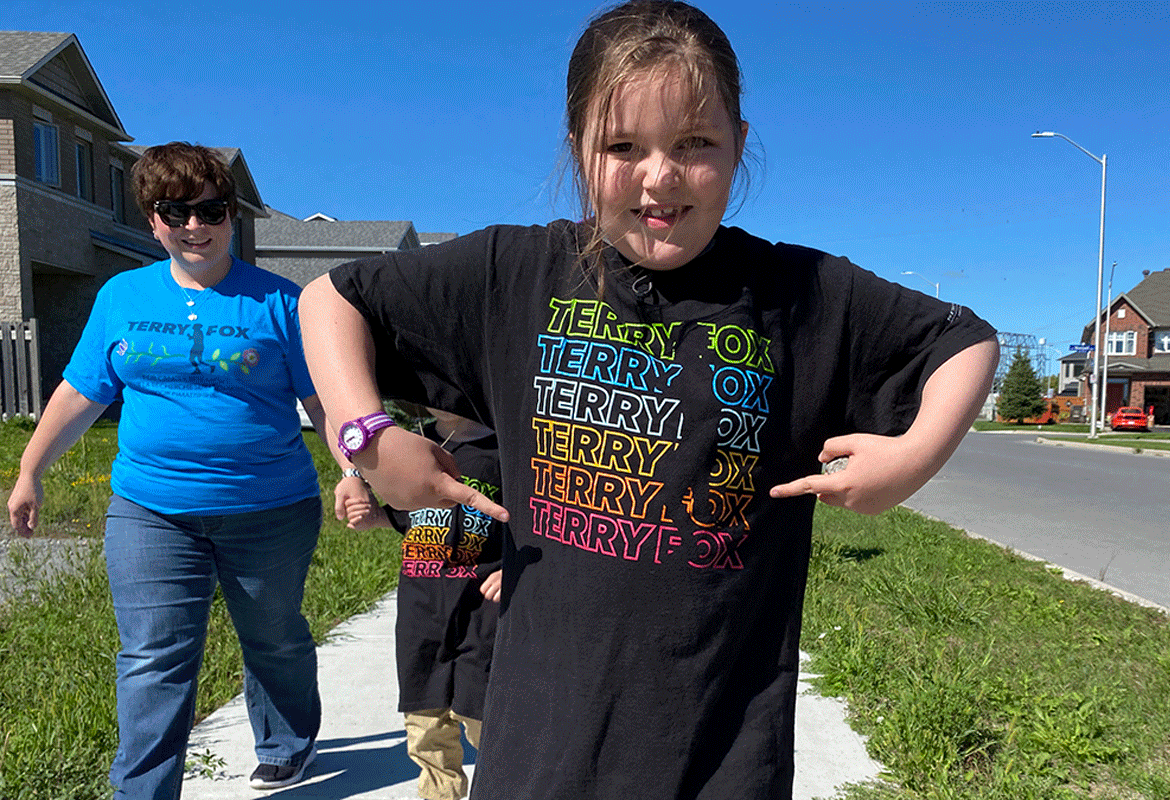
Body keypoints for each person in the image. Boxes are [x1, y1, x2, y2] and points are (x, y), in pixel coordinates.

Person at [298, 2, 1000, 797]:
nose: (659, 177)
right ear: (578, 150)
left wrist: (911, 460)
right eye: (622, 147)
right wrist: (365, 436)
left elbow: (964, 339)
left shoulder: (802, 294)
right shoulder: (512, 274)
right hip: (540, 753)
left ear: (739, 141)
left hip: (719, 755)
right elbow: (331, 298)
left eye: (695, 143)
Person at [6, 142, 370, 798]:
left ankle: (287, 740)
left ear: (232, 215)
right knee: (152, 660)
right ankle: (142, 791)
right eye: (175, 212)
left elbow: (324, 399)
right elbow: (82, 391)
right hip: (151, 509)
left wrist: (352, 470)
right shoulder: (121, 296)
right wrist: (30, 469)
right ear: (152, 220)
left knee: (274, 636)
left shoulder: (279, 303)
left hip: (271, 509)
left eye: (211, 210)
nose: (195, 226)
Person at [343, 407, 504, 800]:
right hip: (421, 606)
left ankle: (504, 786)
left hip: (481, 607)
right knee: (424, 721)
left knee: (483, 716)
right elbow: (410, 514)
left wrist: (519, 572)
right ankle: (437, 794)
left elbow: (538, 524)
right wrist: (375, 518)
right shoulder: (412, 443)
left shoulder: (506, 449)